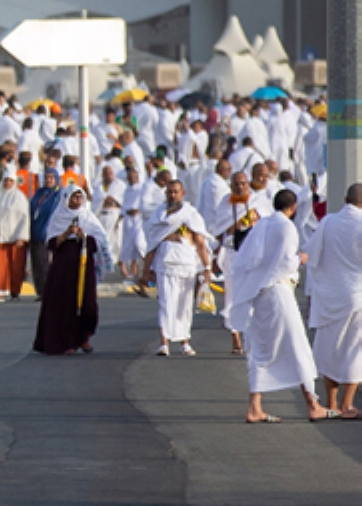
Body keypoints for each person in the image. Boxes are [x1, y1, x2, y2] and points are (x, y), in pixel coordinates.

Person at [233, 189, 329, 423]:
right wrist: (301, 259)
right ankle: (313, 405)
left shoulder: (263, 225)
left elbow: (249, 259)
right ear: (294, 207)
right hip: (277, 291)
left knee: (261, 348)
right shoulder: (286, 227)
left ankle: (255, 407)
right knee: (297, 345)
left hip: (261, 293)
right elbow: (286, 261)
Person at [33, 188, 107, 356]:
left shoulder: (87, 216)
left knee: (87, 303)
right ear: (67, 199)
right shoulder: (58, 217)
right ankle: (66, 342)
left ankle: (84, 338)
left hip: (83, 265)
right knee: (64, 304)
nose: (77, 200)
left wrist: (84, 236)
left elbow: (99, 240)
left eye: (80, 197)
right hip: (63, 267)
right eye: (74, 197)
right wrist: (66, 233)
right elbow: (51, 243)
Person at [309, 184, 362, 417]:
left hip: (328, 294)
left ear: (344, 199)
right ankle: (346, 405)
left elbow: (311, 254)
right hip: (356, 293)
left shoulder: (327, 222)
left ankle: (330, 403)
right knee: (354, 349)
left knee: (329, 348)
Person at [142, 181, 211, 358]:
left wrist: (206, 267)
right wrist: (145, 270)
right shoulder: (159, 215)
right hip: (165, 264)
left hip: (187, 264)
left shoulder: (191, 215)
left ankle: (184, 342)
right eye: (170, 192)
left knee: (184, 305)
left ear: (183, 193)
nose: (172, 195)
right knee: (166, 303)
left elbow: (200, 242)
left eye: (176, 192)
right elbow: (152, 244)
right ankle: (163, 343)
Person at [0, 171, 31, 301]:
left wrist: (22, 236)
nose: (7, 183)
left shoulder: (19, 197)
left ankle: (14, 291)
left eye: (10, 181)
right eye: (5, 180)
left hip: (14, 238)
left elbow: (24, 218)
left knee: (14, 267)